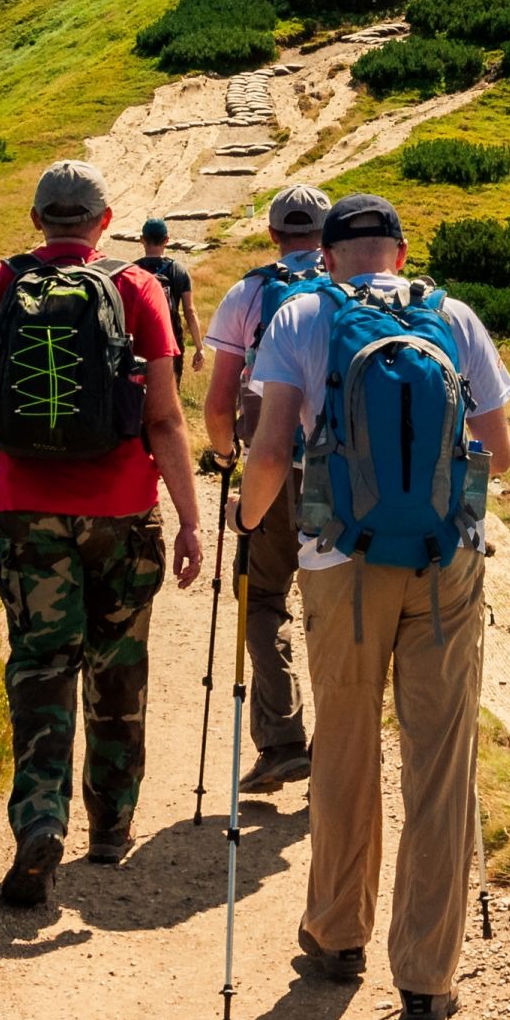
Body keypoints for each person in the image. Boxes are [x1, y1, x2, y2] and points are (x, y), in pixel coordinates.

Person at [234, 193, 510, 1020]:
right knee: (440, 759)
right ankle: (427, 977)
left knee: (347, 747)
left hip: (338, 564)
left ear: (326, 254)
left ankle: (336, 933)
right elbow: (498, 452)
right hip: (445, 565)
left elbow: (274, 447)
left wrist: (248, 522)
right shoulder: (453, 315)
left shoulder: (300, 315)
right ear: (400, 249)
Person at [0, 160, 204, 909]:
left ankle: (38, 819)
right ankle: (112, 826)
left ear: (38, 220)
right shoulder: (136, 286)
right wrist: (190, 518)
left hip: (27, 511)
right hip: (123, 512)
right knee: (117, 664)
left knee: (39, 666)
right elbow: (163, 416)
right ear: (104, 219)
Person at [200, 184, 331, 793]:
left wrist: (227, 455)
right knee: (337, 608)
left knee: (264, 598)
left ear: (274, 232)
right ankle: (340, 755)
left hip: (274, 467)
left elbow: (221, 402)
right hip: (343, 471)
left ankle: (282, 742)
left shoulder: (249, 292)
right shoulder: (350, 287)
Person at [132, 219, 200, 374]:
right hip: (171, 342)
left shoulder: (132, 271)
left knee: (138, 394)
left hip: (139, 344)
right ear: (167, 240)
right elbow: (190, 311)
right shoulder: (179, 271)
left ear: (142, 240)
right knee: (171, 392)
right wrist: (199, 347)